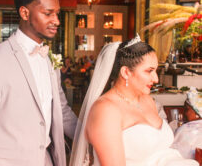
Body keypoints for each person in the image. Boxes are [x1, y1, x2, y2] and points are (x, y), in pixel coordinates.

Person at [0, 0, 77, 166]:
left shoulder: (49, 60)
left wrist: (94, 136)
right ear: (25, 13)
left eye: (57, 14)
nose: (56, 21)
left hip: (46, 160)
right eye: (48, 13)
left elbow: (63, 112)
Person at [70, 34, 198, 166]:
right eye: (149, 71)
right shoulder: (105, 110)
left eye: (156, 71)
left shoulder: (147, 100)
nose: (156, 79)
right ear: (126, 72)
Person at [172, 88, 202, 161]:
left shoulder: (186, 129)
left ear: (196, 112)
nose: (185, 113)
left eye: (187, 109)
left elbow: (173, 154)